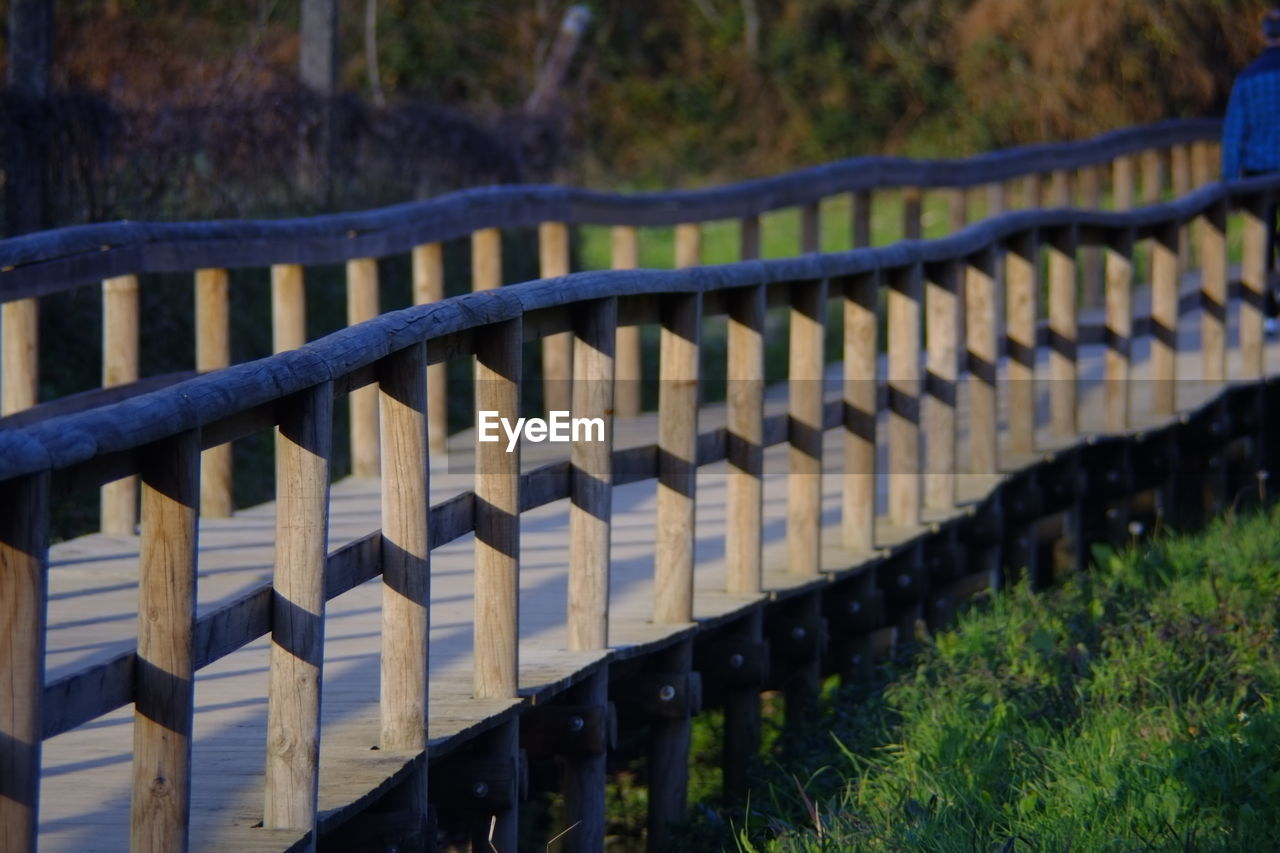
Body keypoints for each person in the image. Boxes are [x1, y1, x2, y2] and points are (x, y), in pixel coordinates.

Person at [1222, 7, 1280, 334]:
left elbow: (1234, 136)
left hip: (1259, 176)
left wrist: (1230, 182)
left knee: (1262, 241)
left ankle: (1269, 313)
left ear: (1263, 35)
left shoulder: (1247, 79)